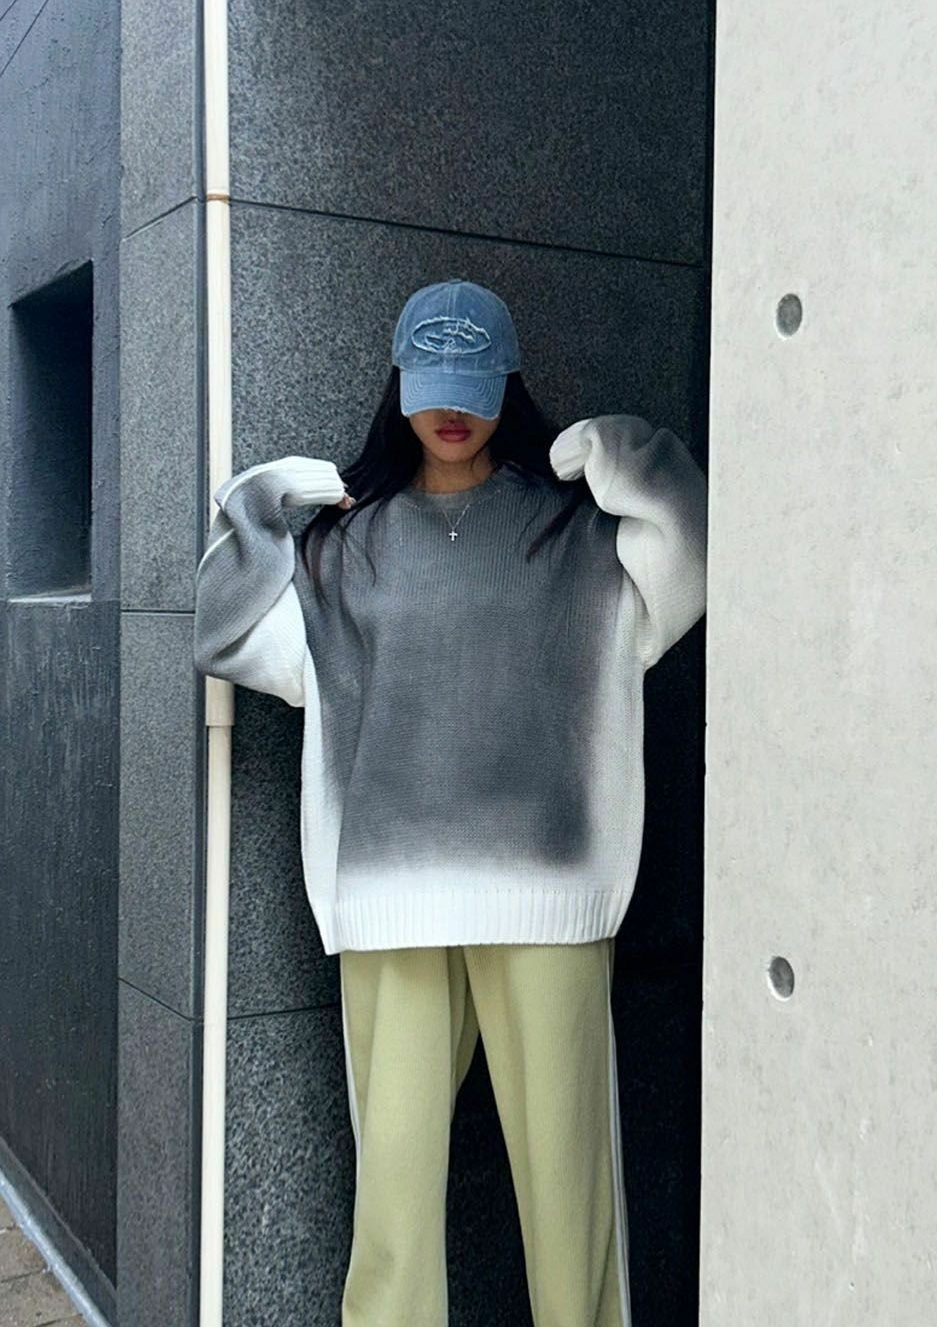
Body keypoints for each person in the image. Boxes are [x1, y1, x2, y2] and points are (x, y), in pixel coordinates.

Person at [192, 278, 707, 1327]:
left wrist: (625, 457)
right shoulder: (345, 547)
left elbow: (691, 566)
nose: (451, 411)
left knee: (573, 1206)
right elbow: (227, 635)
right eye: (432, 384)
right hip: (394, 905)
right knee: (391, 1216)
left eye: (472, 385)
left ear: (507, 383)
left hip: (549, 900)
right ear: (399, 383)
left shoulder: (573, 534)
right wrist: (268, 499)